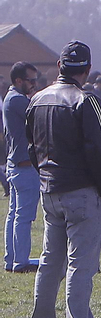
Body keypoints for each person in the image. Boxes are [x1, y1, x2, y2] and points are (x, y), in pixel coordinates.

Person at [25, 41, 101, 318]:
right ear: (87, 69)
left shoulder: (37, 99)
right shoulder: (86, 101)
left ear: (59, 65)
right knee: (81, 265)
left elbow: (31, 147)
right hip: (83, 191)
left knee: (50, 263)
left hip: (50, 189)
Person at [5, 62, 42, 272]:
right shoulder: (19, 100)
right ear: (18, 81)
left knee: (14, 215)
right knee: (24, 217)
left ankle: (12, 260)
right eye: (31, 80)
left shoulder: (12, 99)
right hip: (25, 167)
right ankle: (20, 262)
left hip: (16, 165)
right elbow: (39, 116)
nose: (34, 84)